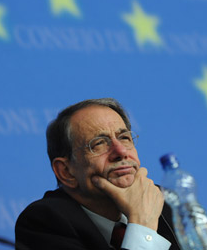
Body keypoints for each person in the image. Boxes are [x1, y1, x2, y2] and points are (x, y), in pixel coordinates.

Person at [15, 98, 180, 250]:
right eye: (99, 143)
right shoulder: (45, 222)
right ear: (66, 171)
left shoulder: (165, 204)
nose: (121, 151)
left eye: (124, 138)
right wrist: (142, 225)